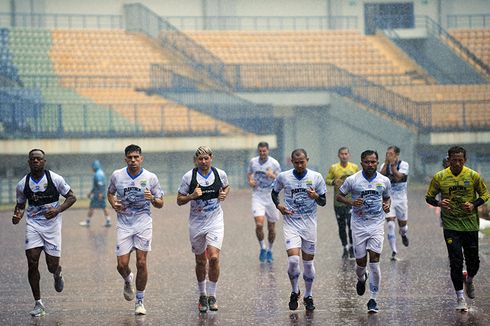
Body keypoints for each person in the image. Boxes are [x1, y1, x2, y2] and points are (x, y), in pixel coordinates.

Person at [12, 149, 77, 317]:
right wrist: (17, 215)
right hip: (33, 225)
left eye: (38, 159)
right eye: (32, 159)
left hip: (52, 227)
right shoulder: (22, 184)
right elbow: (20, 205)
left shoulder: (55, 179)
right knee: (32, 262)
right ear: (28, 162)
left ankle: (57, 273)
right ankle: (38, 303)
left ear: (44, 161)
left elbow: (71, 197)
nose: (35, 161)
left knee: (51, 266)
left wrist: (57, 209)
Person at [425, 146, 489, 312]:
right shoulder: (440, 177)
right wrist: (439, 203)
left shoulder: (473, 175)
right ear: (449, 160)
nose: (457, 163)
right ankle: (460, 297)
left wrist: (474, 204)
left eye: (461, 160)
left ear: (465, 160)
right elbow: (429, 197)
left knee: (473, 261)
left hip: (470, 225)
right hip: (451, 225)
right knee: (455, 261)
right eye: (454, 160)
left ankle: (469, 279)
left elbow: (485, 194)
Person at [107, 144, 164, 315]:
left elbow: (161, 203)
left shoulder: (151, 177)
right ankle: (127, 279)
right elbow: (110, 193)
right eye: (130, 157)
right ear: (125, 159)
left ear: (141, 158)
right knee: (121, 265)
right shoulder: (117, 175)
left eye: (136, 157)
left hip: (143, 222)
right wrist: (113, 203)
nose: (133, 160)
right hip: (124, 223)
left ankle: (139, 301)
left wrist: (152, 198)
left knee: (141, 262)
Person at [271, 149, 327, 311]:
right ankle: (295, 291)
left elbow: (323, 201)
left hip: (309, 225)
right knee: (294, 261)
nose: (299, 165)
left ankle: (308, 295)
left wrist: (316, 196)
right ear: (292, 162)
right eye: (296, 162)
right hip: (291, 224)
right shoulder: (284, 176)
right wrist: (278, 206)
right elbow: (274, 192)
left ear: (307, 160)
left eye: (302, 162)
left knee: (308, 264)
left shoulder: (316, 177)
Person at [336, 150, 391, 314]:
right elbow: (339, 196)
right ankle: (361, 278)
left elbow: (387, 197)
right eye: (367, 162)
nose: (371, 165)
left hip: (376, 225)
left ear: (377, 162)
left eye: (373, 162)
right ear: (362, 163)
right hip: (359, 226)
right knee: (361, 264)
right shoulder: (353, 180)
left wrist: (386, 205)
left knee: (374, 261)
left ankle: (373, 299)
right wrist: (352, 202)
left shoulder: (384, 180)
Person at [177, 146, 230, 313]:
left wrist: (224, 194)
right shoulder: (189, 177)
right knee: (200, 261)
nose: (203, 161)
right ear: (195, 160)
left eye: (206, 158)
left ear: (211, 158)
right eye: (200, 159)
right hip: (196, 223)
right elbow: (179, 200)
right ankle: (202, 295)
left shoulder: (220, 174)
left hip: (215, 220)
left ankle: (212, 295)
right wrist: (192, 196)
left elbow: (226, 187)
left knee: (213, 257)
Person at [247, 141, 281, 263]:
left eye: (264, 151)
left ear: (268, 151)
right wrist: (250, 181)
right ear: (258, 151)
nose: (262, 153)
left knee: (271, 228)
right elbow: (249, 174)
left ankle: (270, 250)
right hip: (258, 195)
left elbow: (280, 179)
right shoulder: (253, 162)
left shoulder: (274, 163)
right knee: (259, 225)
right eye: (260, 151)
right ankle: (262, 247)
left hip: (271, 196)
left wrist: (272, 176)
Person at [325, 146, 359, 259]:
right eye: (342, 154)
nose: (344, 156)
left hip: (350, 201)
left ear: (349, 155)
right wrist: (334, 181)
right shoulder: (334, 168)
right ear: (338, 155)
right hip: (338, 202)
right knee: (341, 226)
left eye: (346, 154)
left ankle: (352, 247)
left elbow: (360, 180)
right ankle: (344, 247)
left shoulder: (354, 167)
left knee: (351, 225)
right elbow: (327, 180)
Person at [379, 146, 409, 261]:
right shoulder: (383, 165)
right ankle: (394, 251)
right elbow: (380, 177)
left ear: (397, 155)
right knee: (390, 224)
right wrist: (386, 165)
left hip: (401, 199)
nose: (388, 156)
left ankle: (403, 234)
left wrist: (392, 165)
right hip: (389, 198)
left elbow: (399, 177)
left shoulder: (404, 165)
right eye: (387, 154)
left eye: (391, 154)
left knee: (403, 227)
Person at [80, 160, 111, 227]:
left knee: (92, 207)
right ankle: (108, 220)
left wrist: (100, 194)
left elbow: (100, 184)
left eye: (93, 167)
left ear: (95, 167)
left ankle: (88, 221)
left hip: (98, 195)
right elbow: (96, 186)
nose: (92, 168)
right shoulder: (100, 173)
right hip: (99, 194)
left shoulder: (98, 174)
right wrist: (91, 193)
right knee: (103, 207)